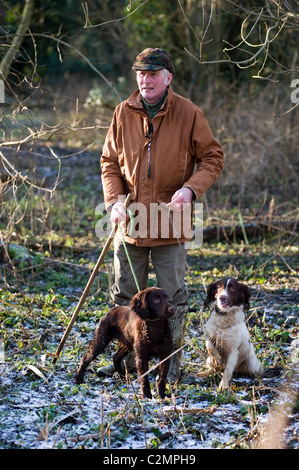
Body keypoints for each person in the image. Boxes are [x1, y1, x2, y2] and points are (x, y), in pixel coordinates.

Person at [100, 48, 224, 382]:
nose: (146, 80)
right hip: (131, 222)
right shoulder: (122, 112)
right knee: (126, 297)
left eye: (153, 74)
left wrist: (190, 189)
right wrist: (114, 200)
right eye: (141, 74)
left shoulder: (189, 113)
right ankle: (129, 368)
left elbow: (212, 158)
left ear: (168, 77)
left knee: (173, 301)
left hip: (172, 221)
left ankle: (169, 370)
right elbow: (109, 163)